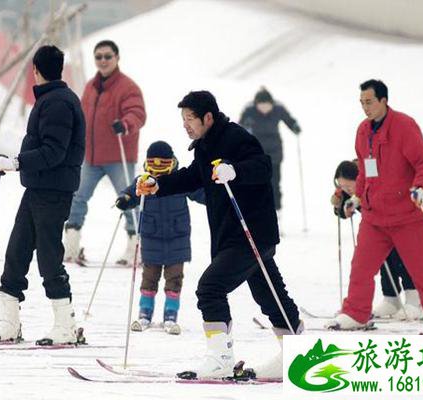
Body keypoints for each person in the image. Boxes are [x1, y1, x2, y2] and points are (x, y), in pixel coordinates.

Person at [136, 91, 301, 379]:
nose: (185, 125)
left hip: (250, 233)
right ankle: (295, 352)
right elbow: (191, 176)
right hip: (234, 235)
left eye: (190, 119)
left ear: (208, 117)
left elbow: (263, 167)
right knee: (269, 294)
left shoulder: (236, 137)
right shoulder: (204, 146)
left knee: (210, 288)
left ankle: (220, 358)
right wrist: (158, 185)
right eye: (183, 119)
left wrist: (234, 171)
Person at [328, 79, 423, 334]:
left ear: (384, 100)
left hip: (407, 215)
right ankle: (356, 313)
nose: (365, 107)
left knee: (421, 270)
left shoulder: (404, 126)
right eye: (362, 102)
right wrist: (357, 197)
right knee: (361, 267)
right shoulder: (363, 131)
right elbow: (364, 170)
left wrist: (422, 188)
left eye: (369, 102)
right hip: (375, 217)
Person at [0, 45, 85, 345]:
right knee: (17, 250)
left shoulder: (57, 103)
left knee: (48, 256)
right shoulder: (53, 100)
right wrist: (15, 161)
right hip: (38, 189)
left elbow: (54, 152)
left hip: (54, 191)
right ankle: (9, 323)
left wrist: (17, 162)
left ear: (36, 70)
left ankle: (65, 326)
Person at [331, 160, 423, 325]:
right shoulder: (353, 182)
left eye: (348, 187)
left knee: (413, 260)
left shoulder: (371, 175)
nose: (346, 190)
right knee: (383, 259)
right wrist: (339, 205)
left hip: (406, 216)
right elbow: (346, 208)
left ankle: (421, 302)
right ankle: (391, 298)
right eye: (342, 187)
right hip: (379, 223)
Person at [63, 39, 146, 266]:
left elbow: (137, 113)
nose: (103, 61)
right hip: (91, 156)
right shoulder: (91, 87)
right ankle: (71, 244)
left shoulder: (128, 87)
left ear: (117, 58)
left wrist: (126, 123)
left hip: (118, 156)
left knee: (128, 199)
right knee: (77, 197)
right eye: (98, 57)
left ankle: (135, 247)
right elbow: (81, 115)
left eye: (107, 56)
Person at [115, 141, 205, 335]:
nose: (158, 171)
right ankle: (144, 313)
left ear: (171, 162)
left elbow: (200, 193)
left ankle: (170, 316)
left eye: (162, 165)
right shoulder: (144, 181)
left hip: (177, 238)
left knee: (174, 279)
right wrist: (125, 199)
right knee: (149, 278)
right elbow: (131, 193)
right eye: (154, 166)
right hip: (151, 237)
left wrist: (215, 195)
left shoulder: (179, 180)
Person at [239, 87, 301, 220]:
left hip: (274, 153)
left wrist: (294, 126)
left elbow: (289, 120)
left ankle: (277, 213)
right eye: (261, 106)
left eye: (267, 106)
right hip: (255, 153)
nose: (265, 109)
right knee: (256, 183)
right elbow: (240, 126)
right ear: (256, 104)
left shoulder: (278, 108)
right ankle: (256, 213)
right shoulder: (249, 110)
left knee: (274, 183)